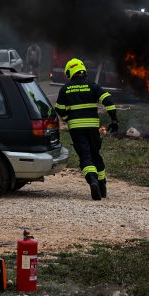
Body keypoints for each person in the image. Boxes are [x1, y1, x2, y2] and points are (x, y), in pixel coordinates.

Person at [54, 57, 117, 201]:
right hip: (92, 128)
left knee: (85, 156)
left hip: (76, 129)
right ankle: (102, 186)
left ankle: (92, 181)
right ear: (83, 70)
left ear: (70, 72)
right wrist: (114, 119)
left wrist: (67, 118)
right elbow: (108, 101)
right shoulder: (93, 86)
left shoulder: (65, 89)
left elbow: (59, 109)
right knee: (96, 155)